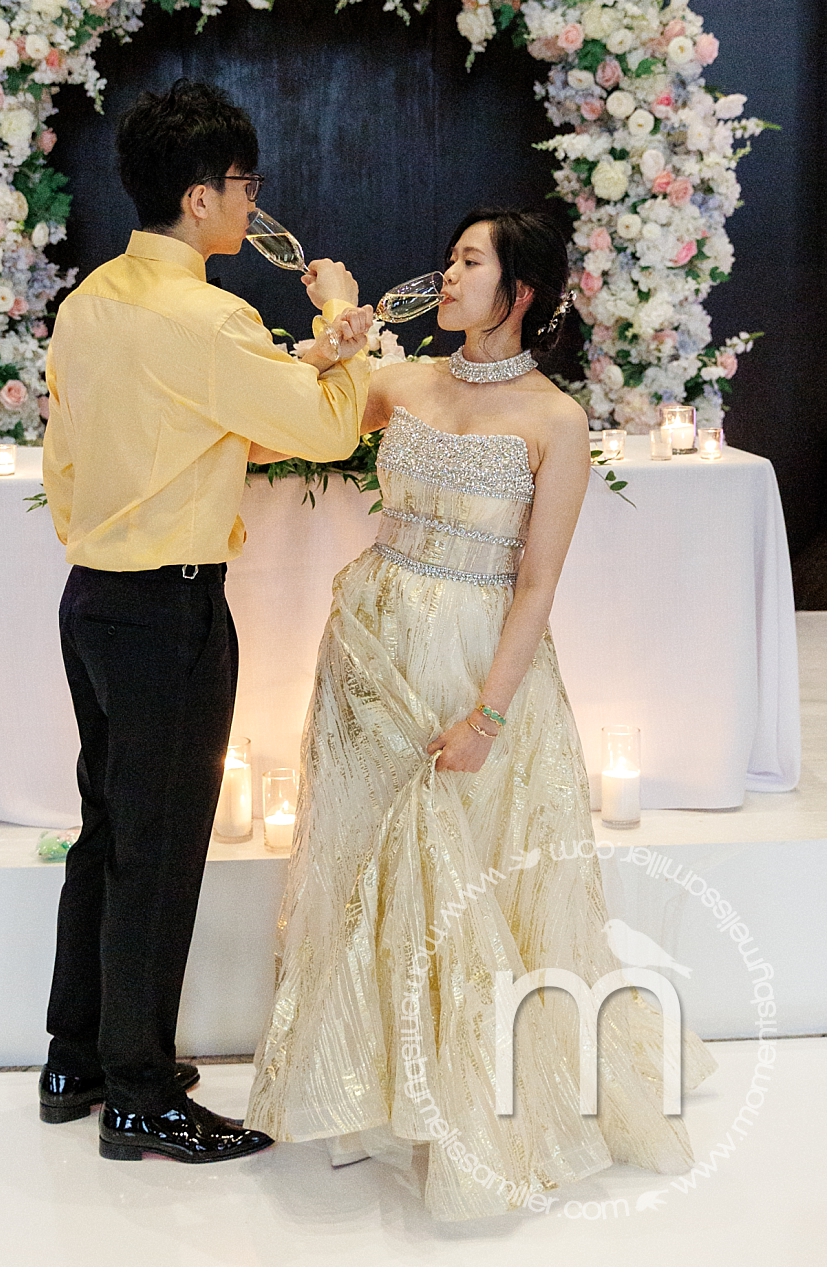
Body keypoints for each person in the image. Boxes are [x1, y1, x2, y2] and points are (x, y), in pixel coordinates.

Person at [243, 207, 717, 1220]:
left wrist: (489, 717)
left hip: (473, 665)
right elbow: (294, 413)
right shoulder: (404, 381)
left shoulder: (553, 420)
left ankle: (467, 1105)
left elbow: (537, 583)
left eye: (468, 262)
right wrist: (331, 336)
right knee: (361, 862)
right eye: (450, 260)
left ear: (520, 291)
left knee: (469, 877)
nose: (446, 277)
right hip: (370, 653)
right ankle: (366, 1089)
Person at [39, 79, 373, 1164]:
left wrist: (305, 366)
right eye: (243, 185)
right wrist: (344, 324)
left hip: (93, 598)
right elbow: (326, 435)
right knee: (161, 847)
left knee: (107, 829)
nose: (251, 202)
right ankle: (139, 1093)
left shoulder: (90, 301)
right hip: (168, 607)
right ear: (199, 197)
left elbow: (107, 445)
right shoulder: (211, 316)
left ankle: (79, 1056)